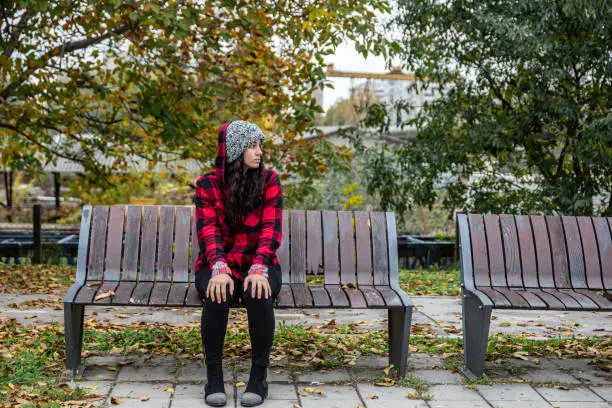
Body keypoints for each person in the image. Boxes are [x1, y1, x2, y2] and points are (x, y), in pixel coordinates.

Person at [194, 120, 283, 407]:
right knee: (216, 293)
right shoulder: (207, 184)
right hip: (216, 262)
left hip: (260, 262)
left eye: (260, 146)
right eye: (253, 146)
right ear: (235, 150)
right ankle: (214, 377)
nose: (260, 152)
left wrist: (259, 269)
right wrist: (219, 269)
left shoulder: (269, 181)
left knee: (259, 293)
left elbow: (271, 232)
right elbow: (208, 232)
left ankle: (258, 377)